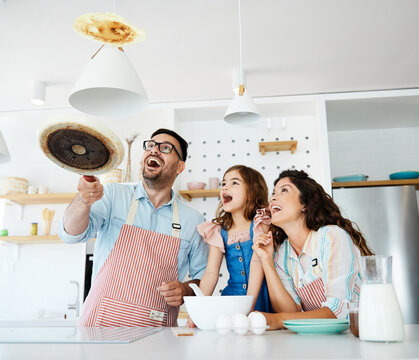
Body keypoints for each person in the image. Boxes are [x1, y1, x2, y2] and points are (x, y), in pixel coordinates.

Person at [60, 128, 209, 327]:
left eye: (166, 148)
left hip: (156, 335)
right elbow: (71, 235)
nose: (154, 151)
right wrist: (83, 200)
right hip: (99, 329)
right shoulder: (113, 195)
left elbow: (203, 278)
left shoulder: (193, 220)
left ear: (180, 166)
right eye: (150, 145)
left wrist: (186, 290)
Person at [252, 170, 373, 330]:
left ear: (305, 204)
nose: (273, 198)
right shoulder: (281, 255)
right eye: (273, 193)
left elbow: (340, 310)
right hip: (319, 337)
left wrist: (277, 320)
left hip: (360, 333)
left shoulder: (331, 237)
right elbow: (290, 312)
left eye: (284, 190)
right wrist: (266, 260)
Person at [193, 165, 272, 314]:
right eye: (223, 184)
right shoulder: (218, 230)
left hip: (260, 300)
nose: (225, 188)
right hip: (232, 300)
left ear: (252, 192)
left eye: (234, 183)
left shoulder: (261, 223)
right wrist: (198, 310)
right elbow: (211, 272)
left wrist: (250, 306)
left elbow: (258, 264)